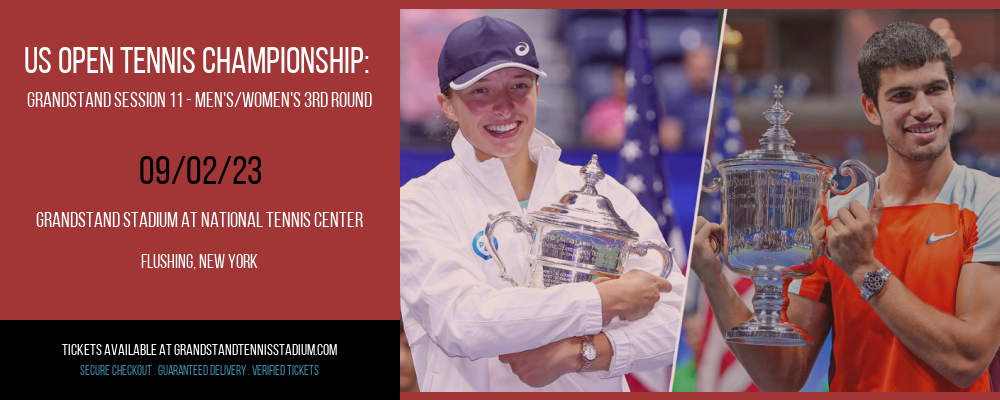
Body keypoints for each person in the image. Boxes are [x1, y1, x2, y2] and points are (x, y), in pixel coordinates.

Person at [691, 21, 1000, 392]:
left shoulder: (989, 201)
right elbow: (782, 377)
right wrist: (713, 278)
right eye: (901, 96)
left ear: (953, 92)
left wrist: (864, 268)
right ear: (871, 108)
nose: (924, 109)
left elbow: (967, 359)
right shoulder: (834, 213)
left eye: (935, 90)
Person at [400, 16, 685, 392]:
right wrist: (602, 299)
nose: (504, 107)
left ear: (537, 90)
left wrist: (583, 353)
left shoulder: (605, 193)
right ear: (447, 105)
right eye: (480, 92)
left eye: (519, 86)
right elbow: (464, 323)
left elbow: (675, 316)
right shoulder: (418, 203)